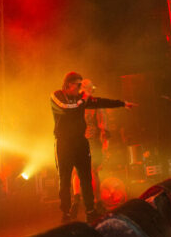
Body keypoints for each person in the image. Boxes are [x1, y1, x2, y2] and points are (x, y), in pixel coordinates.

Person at [51, 72, 134, 222]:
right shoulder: (57, 96)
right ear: (70, 84)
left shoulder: (83, 100)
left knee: (87, 175)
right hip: (64, 143)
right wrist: (83, 98)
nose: (83, 89)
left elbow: (100, 103)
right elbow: (68, 108)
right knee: (65, 177)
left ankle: (90, 209)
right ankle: (67, 210)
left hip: (82, 142)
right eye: (79, 85)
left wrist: (122, 104)